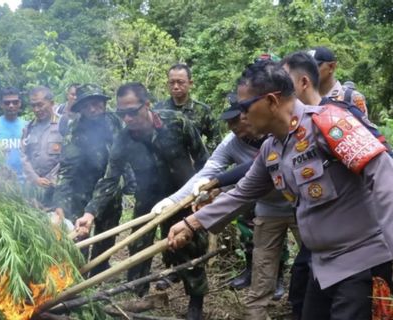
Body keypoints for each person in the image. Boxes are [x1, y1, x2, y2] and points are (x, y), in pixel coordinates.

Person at [167, 60, 393, 320]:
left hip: (362, 264)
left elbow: (385, 179)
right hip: (322, 268)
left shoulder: (329, 123)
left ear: (272, 101)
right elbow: (242, 193)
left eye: (244, 107)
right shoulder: (272, 149)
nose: (241, 116)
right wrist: (192, 222)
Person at [152, 93, 299, 319]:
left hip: (300, 206)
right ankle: (258, 312)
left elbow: (246, 173)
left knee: (312, 262)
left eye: (237, 120)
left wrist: (219, 186)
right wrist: (174, 201)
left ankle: (304, 305)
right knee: (262, 262)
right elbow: (211, 174)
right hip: (267, 207)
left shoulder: (281, 132)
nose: (232, 127)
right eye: (228, 123)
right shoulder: (231, 143)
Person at [74, 82, 209, 320]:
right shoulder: (123, 139)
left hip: (184, 194)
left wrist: (204, 192)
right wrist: (90, 213)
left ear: (147, 105)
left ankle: (196, 301)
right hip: (148, 198)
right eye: (121, 113)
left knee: (191, 246)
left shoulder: (177, 123)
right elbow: (110, 179)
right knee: (138, 247)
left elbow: (203, 159)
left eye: (132, 111)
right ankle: (136, 297)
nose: (127, 118)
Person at [281, 50, 393, 319]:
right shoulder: (288, 131)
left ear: (304, 81)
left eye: (283, 82)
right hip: (323, 246)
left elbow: (381, 162)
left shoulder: (340, 112)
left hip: (361, 245)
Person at [52, 84, 125, 276]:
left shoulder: (114, 122)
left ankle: (99, 271)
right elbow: (66, 169)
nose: (93, 109)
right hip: (82, 189)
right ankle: (80, 275)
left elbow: (121, 156)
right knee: (81, 234)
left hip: (111, 188)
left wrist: (129, 179)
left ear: (103, 103)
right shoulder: (74, 129)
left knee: (107, 233)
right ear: (81, 108)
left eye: (97, 103)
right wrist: (60, 202)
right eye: (88, 105)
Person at [154, 63, 221, 150]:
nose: (176, 87)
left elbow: (216, 139)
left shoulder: (202, 110)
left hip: (193, 161)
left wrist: (202, 157)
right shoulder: (158, 109)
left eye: (180, 82)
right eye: (172, 82)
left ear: (190, 83)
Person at [21, 86, 63, 209]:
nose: (37, 109)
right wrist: (35, 178)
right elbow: (23, 156)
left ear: (52, 103)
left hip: (57, 192)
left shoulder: (63, 125)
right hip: (34, 193)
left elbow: (67, 158)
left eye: (40, 105)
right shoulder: (28, 129)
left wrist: (51, 179)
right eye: (33, 106)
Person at [0, 87, 28, 180]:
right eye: (7, 103)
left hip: (23, 182)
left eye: (15, 102)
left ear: (19, 103)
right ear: (1, 104)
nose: (11, 105)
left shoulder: (27, 126)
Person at [308, 46, 369, 115]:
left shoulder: (352, 97)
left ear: (331, 67)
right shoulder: (305, 98)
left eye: (314, 67)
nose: (308, 72)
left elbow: (363, 125)